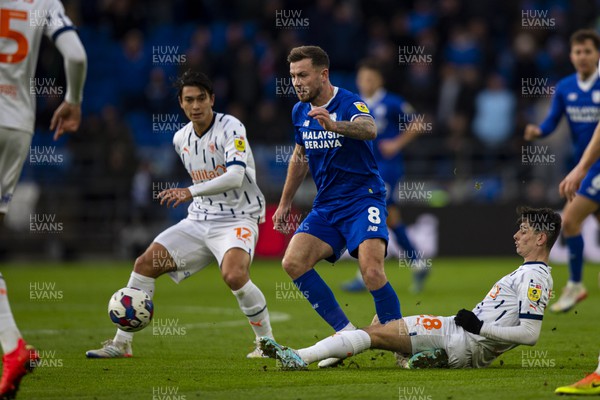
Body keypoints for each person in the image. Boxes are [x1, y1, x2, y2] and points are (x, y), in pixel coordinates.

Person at [86, 70, 274, 359]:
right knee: (145, 263)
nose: (196, 105)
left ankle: (266, 344)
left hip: (237, 218)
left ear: (212, 99)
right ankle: (121, 343)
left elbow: (236, 176)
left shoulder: (231, 127)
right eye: (189, 100)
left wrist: (190, 191)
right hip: (199, 220)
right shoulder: (180, 138)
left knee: (234, 275)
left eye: (201, 98)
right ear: (181, 103)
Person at [261, 207, 560, 370]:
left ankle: (300, 356)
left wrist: (478, 327)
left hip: (462, 337)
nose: (515, 235)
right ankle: (427, 359)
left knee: (375, 333)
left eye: (524, 231)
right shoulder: (530, 273)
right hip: (465, 343)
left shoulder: (533, 278)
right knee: (382, 331)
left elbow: (530, 335)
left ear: (541, 238)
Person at [272, 46, 401, 368]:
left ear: (323, 74)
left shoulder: (348, 102)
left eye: (303, 75)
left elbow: (369, 129)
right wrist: (285, 202)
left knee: (371, 270)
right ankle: (346, 334)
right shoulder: (299, 112)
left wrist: (334, 125)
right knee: (293, 262)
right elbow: (300, 156)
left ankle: (402, 344)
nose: (297, 83)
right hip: (327, 204)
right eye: (292, 77)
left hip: (363, 197)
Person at [0, 0, 87, 397]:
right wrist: (73, 100)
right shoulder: (42, 2)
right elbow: (76, 54)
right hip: (18, 126)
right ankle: (12, 347)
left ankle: (13, 348)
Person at [523, 29, 600, 313]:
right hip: (587, 165)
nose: (582, 57)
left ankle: (576, 284)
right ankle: (576, 283)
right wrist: (538, 130)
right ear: (571, 56)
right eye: (578, 52)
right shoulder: (566, 87)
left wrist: (580, 170)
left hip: (593, 167)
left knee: (569, 220)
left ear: (597, 55)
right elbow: (552, 120)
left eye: (588, 51)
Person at [341, 59, 426, 293]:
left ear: (379, 80)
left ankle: (363, 275)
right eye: (361, 78)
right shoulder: (353, 102)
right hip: (362, 169)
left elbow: (418, 123)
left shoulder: (392, 102)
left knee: (370, 212)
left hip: (386, 169)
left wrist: (397, 143)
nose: (364, 82)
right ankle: (418, 264)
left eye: (369, 78)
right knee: (391, 219)